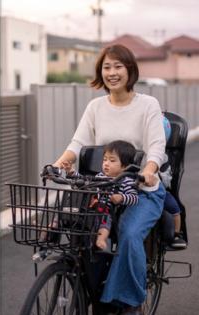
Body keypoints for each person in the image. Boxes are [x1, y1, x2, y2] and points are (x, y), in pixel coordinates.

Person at [53, 44, 166, 315]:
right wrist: (59, 163)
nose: (112, 72)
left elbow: (156, 146)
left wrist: (149, 169)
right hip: (104, 188)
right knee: (78, 230)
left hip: (140, 190)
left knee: (128, 234)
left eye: (118, 66)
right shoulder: (95, 107)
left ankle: (130, 301)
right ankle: (94, 292)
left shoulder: (148, 104)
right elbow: (78, 143)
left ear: (130, 70)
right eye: (106, 67)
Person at [64, 141, 139, 251]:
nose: (106, 163)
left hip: (107, 211)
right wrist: (71, 173)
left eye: (112, 160)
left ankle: (101, 238)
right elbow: (85, 180)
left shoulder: (126, 181)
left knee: (105, 220)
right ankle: (53, 227)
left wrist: (122, 198)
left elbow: (135, 198)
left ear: (125, 167)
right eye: (104, 159)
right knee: (67, 208)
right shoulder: (100, 176)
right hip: (91, 207)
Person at [159, 116, 186, 248]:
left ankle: (176, 233)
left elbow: (165, 179)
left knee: (174, 208)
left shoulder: (162, 157)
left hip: (158, 188)